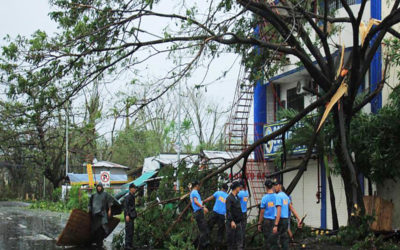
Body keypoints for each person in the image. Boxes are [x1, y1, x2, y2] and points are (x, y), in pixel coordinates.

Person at [274, 180, 302, 250]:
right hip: (285, 220)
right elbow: (292, 208)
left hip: (279, 220)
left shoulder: (278, 196)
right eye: (274, 185)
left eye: (276, 185)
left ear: (280, 186)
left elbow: (279, 210)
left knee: (276, 240)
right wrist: (299, 218)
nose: (274, 187)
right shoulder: (286, 196)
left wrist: (276, 225)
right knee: (284, 239)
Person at [88, 182, 114, 247]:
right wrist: (89, 209)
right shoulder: (93, 195)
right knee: (95, 229)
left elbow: (109, 201)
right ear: (96, 188)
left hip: (102, 214)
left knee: (103, 228)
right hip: (95, 215)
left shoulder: (105, 194)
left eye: (100, 187)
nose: (99, 188)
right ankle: (97, 242)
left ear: (102, 187)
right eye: (98, 187)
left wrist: (110, 210)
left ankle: (100, 242)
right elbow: (90, 204)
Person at [258, 179, 281, 250]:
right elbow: (279, 210)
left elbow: (262, 212)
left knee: (267, 239)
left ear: (266, 187)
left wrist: (259, 223)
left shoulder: (264, 198)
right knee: (275, 240)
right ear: (272, 186)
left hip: (267, 221)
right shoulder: (277, 197)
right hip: (275, 220)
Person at [204, 183, 229, 247]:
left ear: (222, 188)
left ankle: (207, 241)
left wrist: (203, 201)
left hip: (214, 213)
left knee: (209, 226)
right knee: (220, 230)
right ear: (226, 190)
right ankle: (218, 244)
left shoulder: (218, 193)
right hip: (222, 215)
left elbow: (210, 198)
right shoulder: (228, 197)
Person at [190, 180, 210, 249]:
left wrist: (202, 205)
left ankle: (201, 245)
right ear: (197, 185)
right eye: (199, 186)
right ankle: (202, 246)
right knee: (204, 230)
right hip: (198, 212)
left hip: (198, 212)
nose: (199, 187)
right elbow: (195, 202)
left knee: (203, 230)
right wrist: (203, 207)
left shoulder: (192, 192)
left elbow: (198, 202)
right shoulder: (194, 192)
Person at [225, 181, 244, 250]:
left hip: (238, 223)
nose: (240, 188)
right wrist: (231, 221)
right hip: (231, 223)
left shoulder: (237, 198)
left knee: (239, 241)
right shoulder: (229, 198)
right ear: (236, 188)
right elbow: (228, 211)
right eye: (239, 187)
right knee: (231, 242)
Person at [124, 183, 137, 250]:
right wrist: (127, 215)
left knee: (131, 230)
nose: (135, 189)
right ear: (130, 189)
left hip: (132, 216)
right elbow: (126, 207)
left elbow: (132, 207)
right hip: (128, 216)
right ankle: (127, 245)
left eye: (135, 188)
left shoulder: (132, 196)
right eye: (134, 188)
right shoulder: (127, 197)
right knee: (128, 230)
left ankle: (130, 244)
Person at [237, 180, 249, 248]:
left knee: (239, 229)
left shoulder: (240, 193)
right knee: (243, 229)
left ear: (241, 186)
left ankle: (239, 245)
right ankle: (243, 245)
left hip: (240, 213)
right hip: (244, 212)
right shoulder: (246, 193)